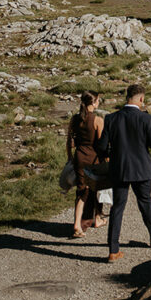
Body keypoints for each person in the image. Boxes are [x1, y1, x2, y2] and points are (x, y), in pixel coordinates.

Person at [94, 84, 151, 263]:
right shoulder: (146, 119)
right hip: (141, 169)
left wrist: (113, 155)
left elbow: (101, 147)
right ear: (141, 99)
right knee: (145, 202)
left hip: (120, 169)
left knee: (117, 208)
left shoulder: (111, 118)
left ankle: (113, 250)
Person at [66, 90, 107, 238]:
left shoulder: (75, 119)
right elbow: (102, 145)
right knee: (95, 189)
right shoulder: (97, 120)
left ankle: (83, 221)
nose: (99, 103)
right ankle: (90, 220)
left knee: (81, 190)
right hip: (93, 159)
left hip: (79, 157)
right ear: (93, 102)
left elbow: (69, 141)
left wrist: (70, 157)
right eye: (98, 101)